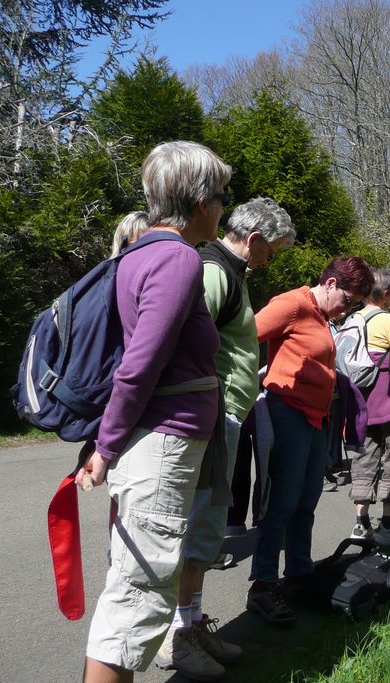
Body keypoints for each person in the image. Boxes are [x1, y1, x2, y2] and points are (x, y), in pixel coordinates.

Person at [75, 140, 230, 683]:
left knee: (134, 590)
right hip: (162, 444)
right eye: (220, 195)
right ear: (198, 200)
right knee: (136, 600)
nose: (224, 207)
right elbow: (138, 366)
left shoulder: (140, 253)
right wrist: (106, 446)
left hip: (160, 440)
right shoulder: (177, 257)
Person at [155, 197, 295, 679]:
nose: (269, 261)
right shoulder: (215, 272)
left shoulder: (230, 273)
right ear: (254, 240)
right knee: (195, 528)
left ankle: (192, 625)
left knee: (208, 528)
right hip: (210, 419)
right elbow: (183, 341)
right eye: (270, 252)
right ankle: (177, 636)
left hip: (222, 417)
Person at [246, 256, 373, 626]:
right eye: (347, 300)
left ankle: (298, 573)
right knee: (282, 500)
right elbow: (245, 335)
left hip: (316, 418)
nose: (347, 310)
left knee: (306, 499)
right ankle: (263, 584)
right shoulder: (293, 304)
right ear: (330, 284)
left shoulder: (321, 315)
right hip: (287, 412)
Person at [348, 268, 390, 551]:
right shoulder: (389, 319)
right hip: (387, 402)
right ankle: (389, 525)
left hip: (359, 402)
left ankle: (360, 523)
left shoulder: (352, 319)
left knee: (364, 457)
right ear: (387, 294)